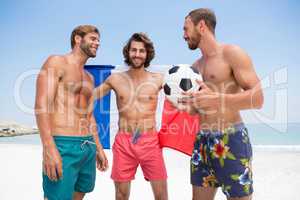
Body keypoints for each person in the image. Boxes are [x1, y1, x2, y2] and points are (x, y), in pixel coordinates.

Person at [180, 8, 264, 200]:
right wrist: (186, 104)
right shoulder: (195, 66)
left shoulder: (232, 53)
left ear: (201, 26)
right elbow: (195, 109)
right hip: (202, 142)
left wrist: (218, 99)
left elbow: (258, 98)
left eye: (186, 29)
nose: (184, 35)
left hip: (230, 139)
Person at [35, 25, 108, 200]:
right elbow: (42, 105)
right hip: (63, 144)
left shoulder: (89, 78)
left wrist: (98, 148)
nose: (97, 43)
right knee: (57, 197)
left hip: (87, 146)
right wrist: (49, 147)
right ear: (77, 38)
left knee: (80, 193)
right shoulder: (56, 62)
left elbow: (89, 117)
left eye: (98, 40)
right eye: (93, 38)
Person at [94, 32, 168, 200]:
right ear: (128, 52)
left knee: (162, 195)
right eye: (133, 50)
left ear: (147, 53)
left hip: (150, 141)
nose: (137, 54)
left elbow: (181, 96)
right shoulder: (115, 79)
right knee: (121, 195)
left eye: (142, 51)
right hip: (124, 142)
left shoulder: (159, 79)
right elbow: (88, 98)